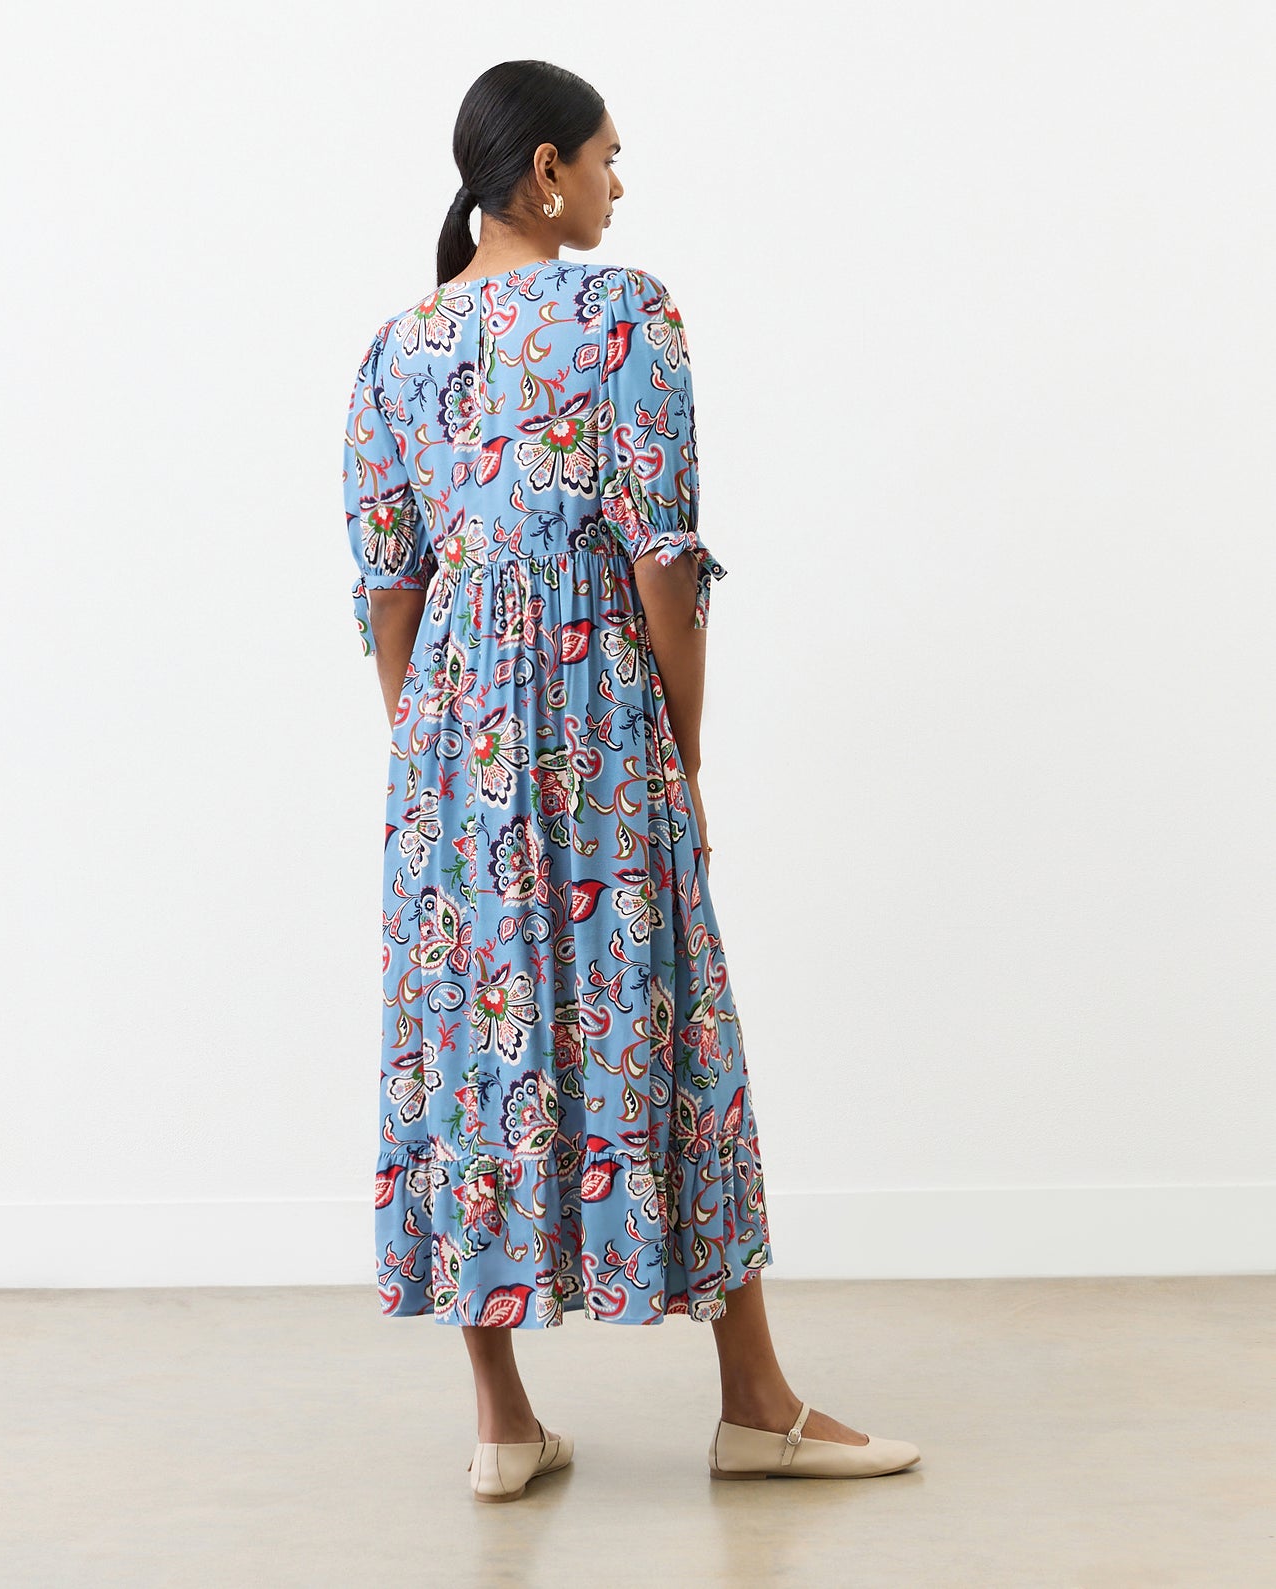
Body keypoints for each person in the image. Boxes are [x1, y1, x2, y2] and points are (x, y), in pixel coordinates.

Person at [340, 59, 920, 1500]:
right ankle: (754, 1402)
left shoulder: (392, 351)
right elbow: (665, 563)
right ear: (542, 171)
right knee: (668, 1015)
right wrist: (685, 746)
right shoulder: (621, 313)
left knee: (471, 1043)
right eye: (605, 157)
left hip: (447, 747)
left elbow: (387, 588)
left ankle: (500, 1423)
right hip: (595, 721)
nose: (616, 182)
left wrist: (432, 759)